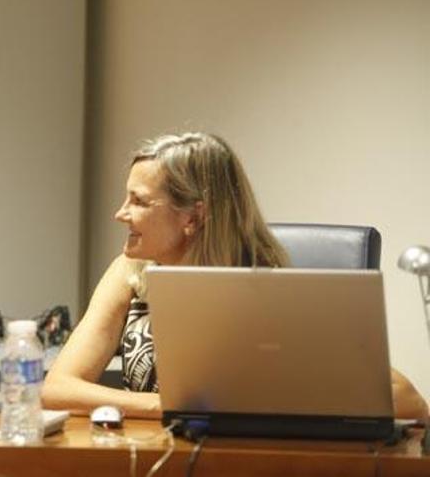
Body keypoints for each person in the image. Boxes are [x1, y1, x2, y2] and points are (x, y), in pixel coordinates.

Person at [41, 132, 429, 420]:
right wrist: (165, 407)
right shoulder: (131, 271)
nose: (120, 213)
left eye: (139, 201)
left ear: (193, 216)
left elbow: (408, 399)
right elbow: (58, 389)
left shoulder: (267, 287)